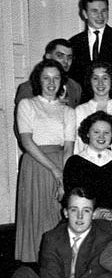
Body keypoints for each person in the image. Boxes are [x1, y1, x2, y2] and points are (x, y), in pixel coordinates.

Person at [15, 59, 76, 263]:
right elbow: (26, 142)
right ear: (38, 81)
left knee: (57, 214)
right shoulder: (27, 104)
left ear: (62, 82)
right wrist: (54, 170)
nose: (51, 83)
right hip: (35, 163)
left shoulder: (68, 111)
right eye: (46, 78)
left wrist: (64, 177)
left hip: (60, 162)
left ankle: (57, 265)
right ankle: (35, 263)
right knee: (37, 216)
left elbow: (68, 147)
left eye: (56, 78)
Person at [64, 111, 112, 220]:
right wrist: (93, 214)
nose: (101, 136)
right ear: (87, 133)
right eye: (96, 132)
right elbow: (70, 197)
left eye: (106, 132)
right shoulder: (74, 162)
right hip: (82, 218)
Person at [74, 61, 112, 157]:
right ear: (89, 81)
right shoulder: (80, 110)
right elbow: (77, 145)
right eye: (95, 78)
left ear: (111, 80)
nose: (100, 83)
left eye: (105, 78)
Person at [14, 39, 82, 108]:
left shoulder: (75, 87)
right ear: (48, 57)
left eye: (69, 57)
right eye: (60, 56)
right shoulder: (28, 88)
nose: (66, 61)